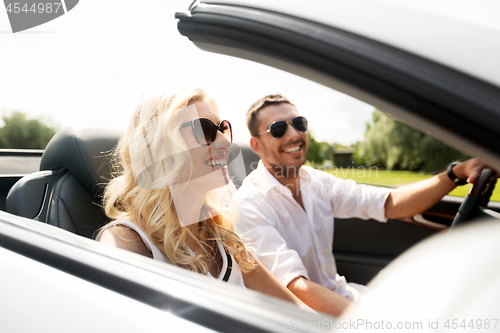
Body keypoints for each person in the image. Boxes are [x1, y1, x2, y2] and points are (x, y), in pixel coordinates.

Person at [234, 94, 492, 317]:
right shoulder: (250, 203)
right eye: (278, 128)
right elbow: (295, 287)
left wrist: (456, 173)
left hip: (345, 296)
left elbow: (389, 203)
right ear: (256, 144)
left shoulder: (317, 182)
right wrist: (375, 320)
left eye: (299, 123)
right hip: (307, 316)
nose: (294, 134)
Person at [96, 88, 311, 311]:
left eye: (223, 129)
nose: (224, 143)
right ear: (161, 147)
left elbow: (296, 311)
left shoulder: (224, 237)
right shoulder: (125, 242)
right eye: (204, 130)